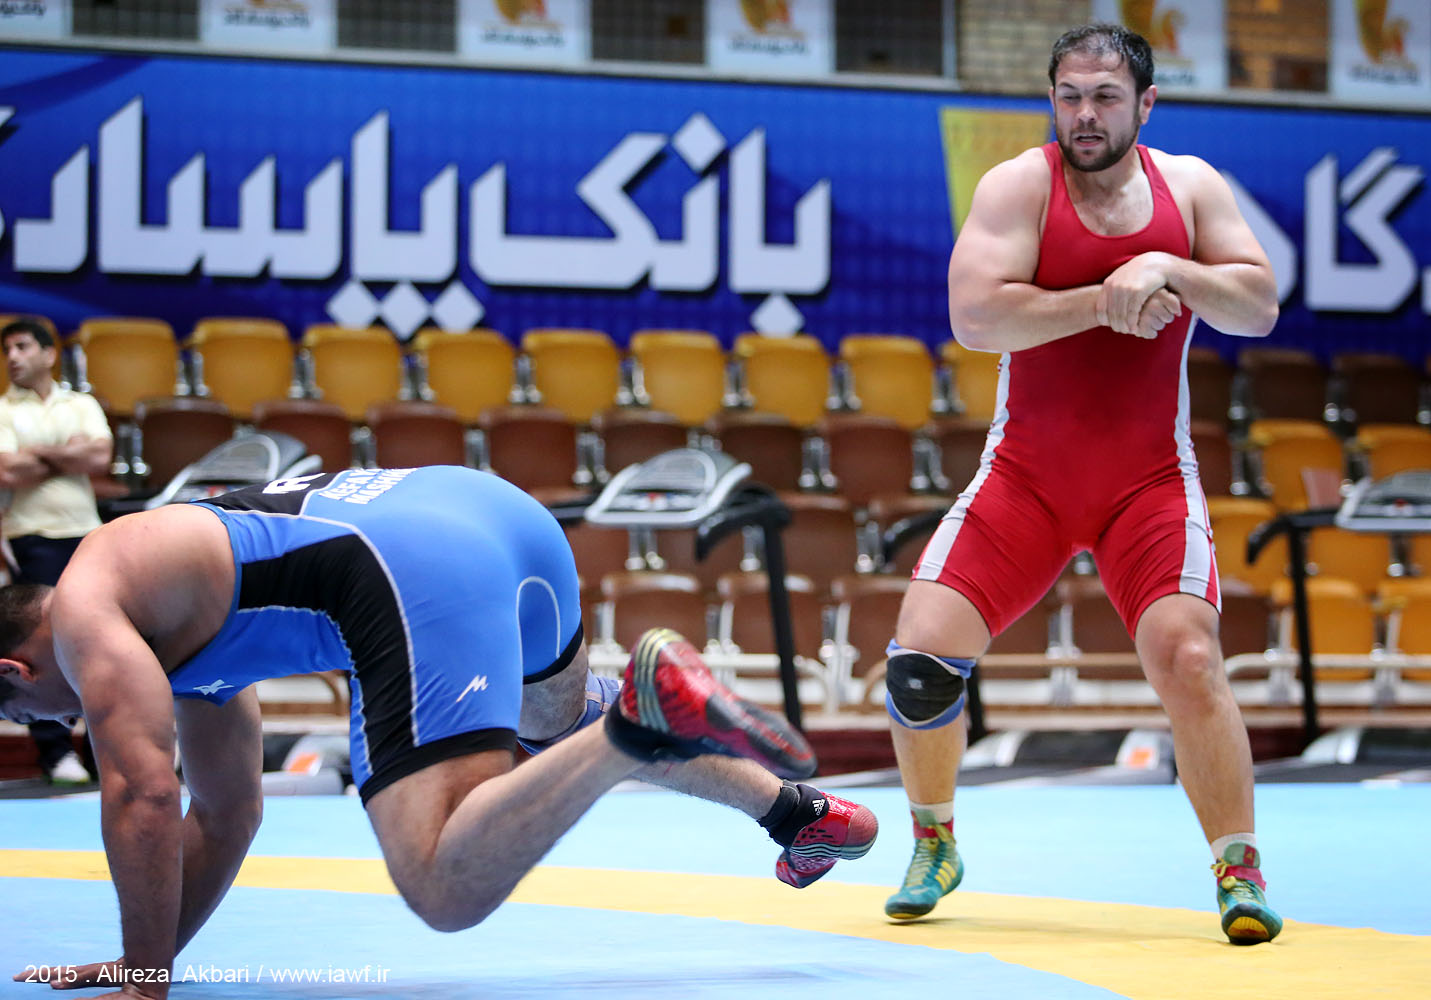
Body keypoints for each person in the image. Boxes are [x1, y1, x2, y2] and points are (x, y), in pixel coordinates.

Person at [0, 465, 877, 998]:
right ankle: (792, 812)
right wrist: (144, 960)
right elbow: (227, 815)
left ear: (14, 674)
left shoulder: (86, 610)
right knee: (556, 719)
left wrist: (143, 985)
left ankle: (638, 726)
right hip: (491, 510)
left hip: (401, 565)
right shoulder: (158, 615)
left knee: (443, 886)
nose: (55, 723)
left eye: (20, 715)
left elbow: (144, 794)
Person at [882, 24, 1282, 944]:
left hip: (1149, 482)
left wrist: (1170, 266)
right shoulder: (1018, 186)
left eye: (1105, 97)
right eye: (1069, 96)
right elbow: (975, 317)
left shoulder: (1191, 187)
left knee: (1189, 659)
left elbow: (1258, 305)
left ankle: (1239, 869)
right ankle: (935, 842)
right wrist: (1103, 300)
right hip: (1026, 478)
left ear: (1146, 104)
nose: (1085, 115)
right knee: (919, 661)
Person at [0, 316, 112, 785]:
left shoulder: (81, 404)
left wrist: (36, 453)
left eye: (23, 347)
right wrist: (67, 453)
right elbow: (8, 471)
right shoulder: (3, 409)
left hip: (86, 535)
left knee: (102, 638)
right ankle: (56, 752)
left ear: (49, 354)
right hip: (31, 536)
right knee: (37, 646)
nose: (13, 357)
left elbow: (100, 458)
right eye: (7, 350)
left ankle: (106, 748)